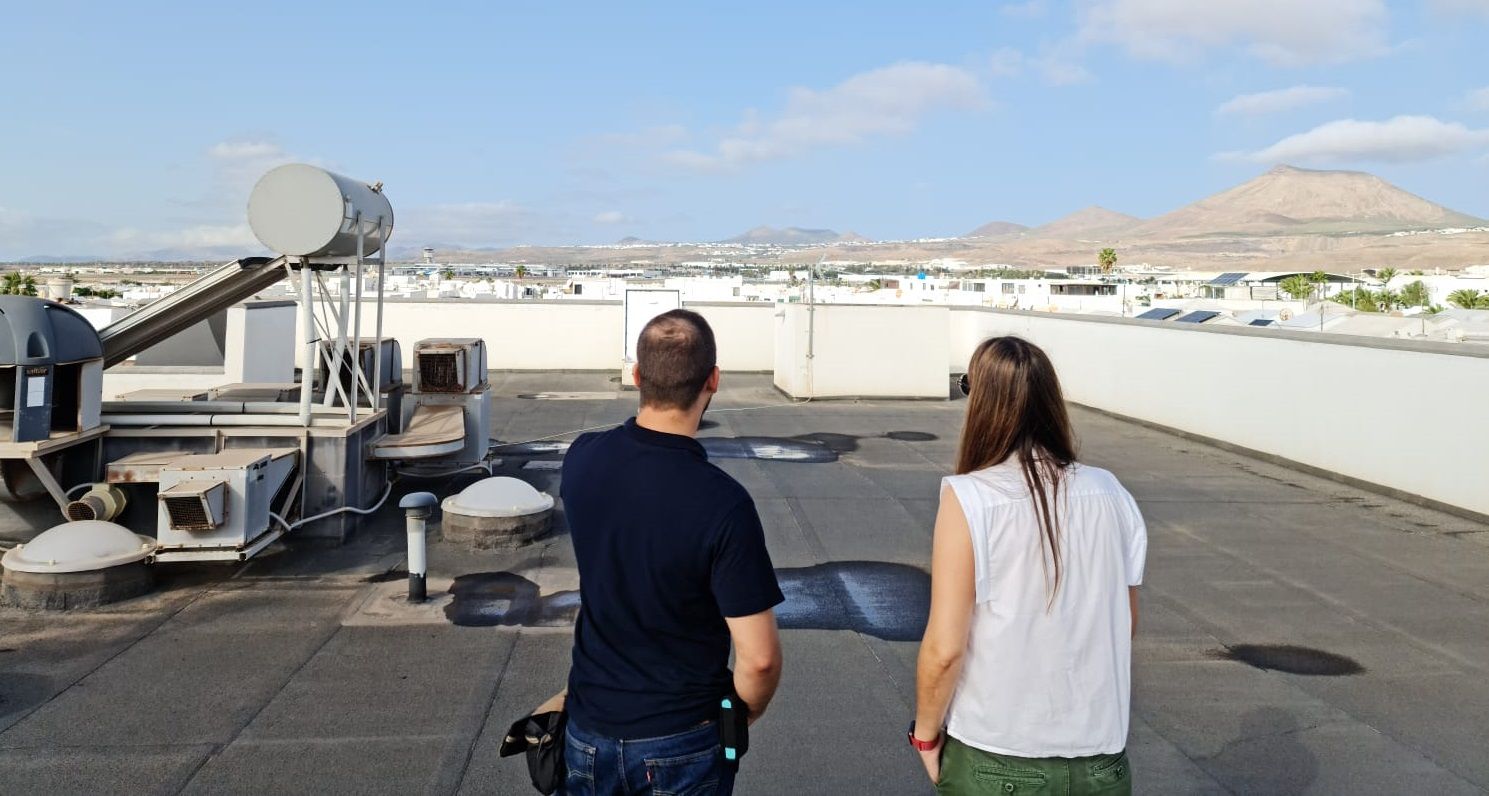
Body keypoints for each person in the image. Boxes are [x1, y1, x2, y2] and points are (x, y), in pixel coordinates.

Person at [561, 309, 784, 796]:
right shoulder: (724, 504)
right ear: (714, 381)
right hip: (681, 742)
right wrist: (738, 717)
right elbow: (760, 660)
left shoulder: (581, 459)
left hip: (585, 734)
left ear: (637, 376)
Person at [910, 336, 1147, 795]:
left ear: (981, 403)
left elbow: (945, 649)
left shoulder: (969, 499)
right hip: (1101, 763)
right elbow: (1125, 621)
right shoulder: (1111, 492)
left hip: (996, 760)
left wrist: (925, 735)